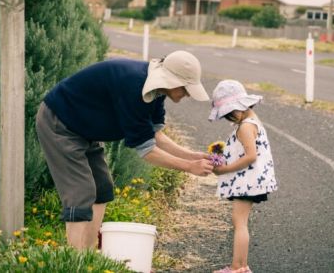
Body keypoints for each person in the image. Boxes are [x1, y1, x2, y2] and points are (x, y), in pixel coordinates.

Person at [35, 50, 214, 250]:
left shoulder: (156, 91)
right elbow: (147, 150)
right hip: (61, 122)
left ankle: (89, 255)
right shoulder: (135, 86)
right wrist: (190, 167)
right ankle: (75, 263)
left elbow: (156, 134)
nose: (188, 94)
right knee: (81, 193)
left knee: (102, 188)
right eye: (186, 89)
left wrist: (193, 156)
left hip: (85, 129)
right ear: (173, 81)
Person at [208, 80, 278, 273]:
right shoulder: (251, 121)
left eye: (230, 114)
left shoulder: (246, 127)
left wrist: (224, 169)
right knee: (240, 221)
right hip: (250, 181)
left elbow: (250, 156)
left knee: (239, 223)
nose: (229, 118)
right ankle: (240, 266)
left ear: (239, 107)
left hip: (248, 182)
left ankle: (238, 267)